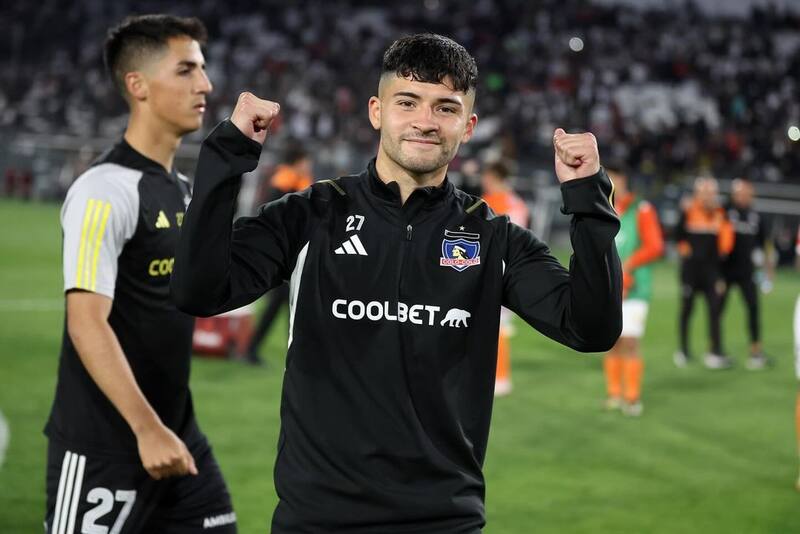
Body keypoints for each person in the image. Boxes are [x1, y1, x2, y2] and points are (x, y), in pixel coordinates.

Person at [172, 33, 622, 533]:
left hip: (442, 522)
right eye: (407, 102)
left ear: (468, 126)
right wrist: (226, 157)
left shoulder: (493, 238)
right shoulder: (312, 214)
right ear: (376, 111)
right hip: (318, 521)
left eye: (446, 108)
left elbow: (591, 329)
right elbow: (198, 291)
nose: (426, 121)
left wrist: (587, 199)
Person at [44, 15, 237, 533]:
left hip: (177, 435)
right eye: (186, 70)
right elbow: (86, 323)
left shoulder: (179, 188)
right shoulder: (103, 190)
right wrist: (146, 429)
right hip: (105, 444)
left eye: (202, 68)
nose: (206, 84)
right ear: (138, 85)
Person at [244, 145, 313, 365]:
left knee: (287, 305)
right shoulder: (285, 181)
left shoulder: (293, 180)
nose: (308, 165)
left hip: (293, 255)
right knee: (283, 305)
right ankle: (256, 350)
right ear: (298, 160)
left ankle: (284, 351)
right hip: (286, 256)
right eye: (305, 161)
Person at [603, 167, 664, 416]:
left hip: (636, 288)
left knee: (629, 341)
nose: (609, 182)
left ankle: (631, 397)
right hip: (608, 288)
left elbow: (655, 246)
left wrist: (627, 267)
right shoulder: (602, 209)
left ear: (623, 179)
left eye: (613, 177)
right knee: (611, 341)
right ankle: (614, 394)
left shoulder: (642, 209)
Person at [674, 176, 734, 369]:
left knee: (715, 312)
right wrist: (685, 252)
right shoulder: (688, 211)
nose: (708, 196)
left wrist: (720, 276)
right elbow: (677, 235)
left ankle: (714, 352)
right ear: (697, 194)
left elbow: (725, 247)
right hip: (690, 272)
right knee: (687, 310)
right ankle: (683, 351)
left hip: (711, 273)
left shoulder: (721, 214)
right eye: (704, 193)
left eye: (711, 193)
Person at [480, 160, 530, 396]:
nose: (484, 181)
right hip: (513, 269)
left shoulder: (490, 202)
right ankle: (500, 376)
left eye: (487, 177)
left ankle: (497, 378)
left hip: (490, 268)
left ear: (495, 178)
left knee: (489, 326)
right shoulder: (518, 203)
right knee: (499, 326)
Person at [721, 177, 772, 369]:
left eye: (747, 192)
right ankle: (715, 349)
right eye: (740, 192)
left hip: (747, 272)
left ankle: (756, 351)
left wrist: (768, 274)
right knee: (717, 310)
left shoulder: (757, 216)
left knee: (753, 309)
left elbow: (766, 246)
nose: (743, 196)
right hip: (725, 271)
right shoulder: (726, 212)